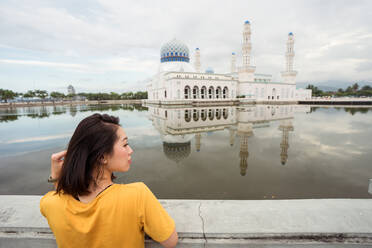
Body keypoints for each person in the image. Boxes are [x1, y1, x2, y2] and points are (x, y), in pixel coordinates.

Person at [40, 113, 178, 248]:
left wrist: (57, 177)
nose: (131, 150)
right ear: (102, 157)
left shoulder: (50, 204)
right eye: (125, 145)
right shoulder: (137, 196)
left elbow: (60, 197)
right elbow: (170, 241)